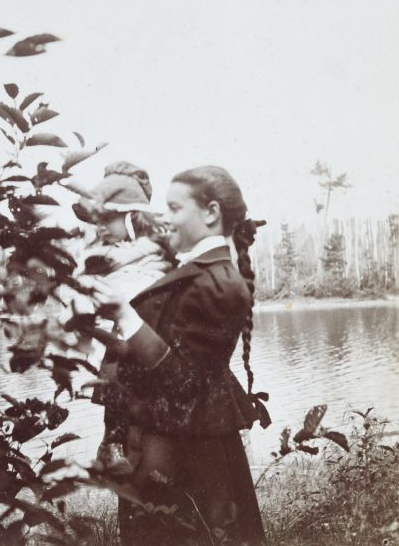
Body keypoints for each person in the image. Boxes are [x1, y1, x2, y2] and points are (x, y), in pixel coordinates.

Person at [87, 165, 270, 546]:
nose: (163, 217)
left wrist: (123, 314)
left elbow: (186, 382)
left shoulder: (219, 282)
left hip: (190, 447)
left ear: (211, 213)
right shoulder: (190, 270)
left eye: (174, 208)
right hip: (164, 440)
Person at [67, 161, 173, 471]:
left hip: (152, 357)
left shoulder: (155, 251)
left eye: (108, 219)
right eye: (96, 219)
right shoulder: (102, 254)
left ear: (132, 216)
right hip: (123, 358)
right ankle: (113, 441)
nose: (99, 226)